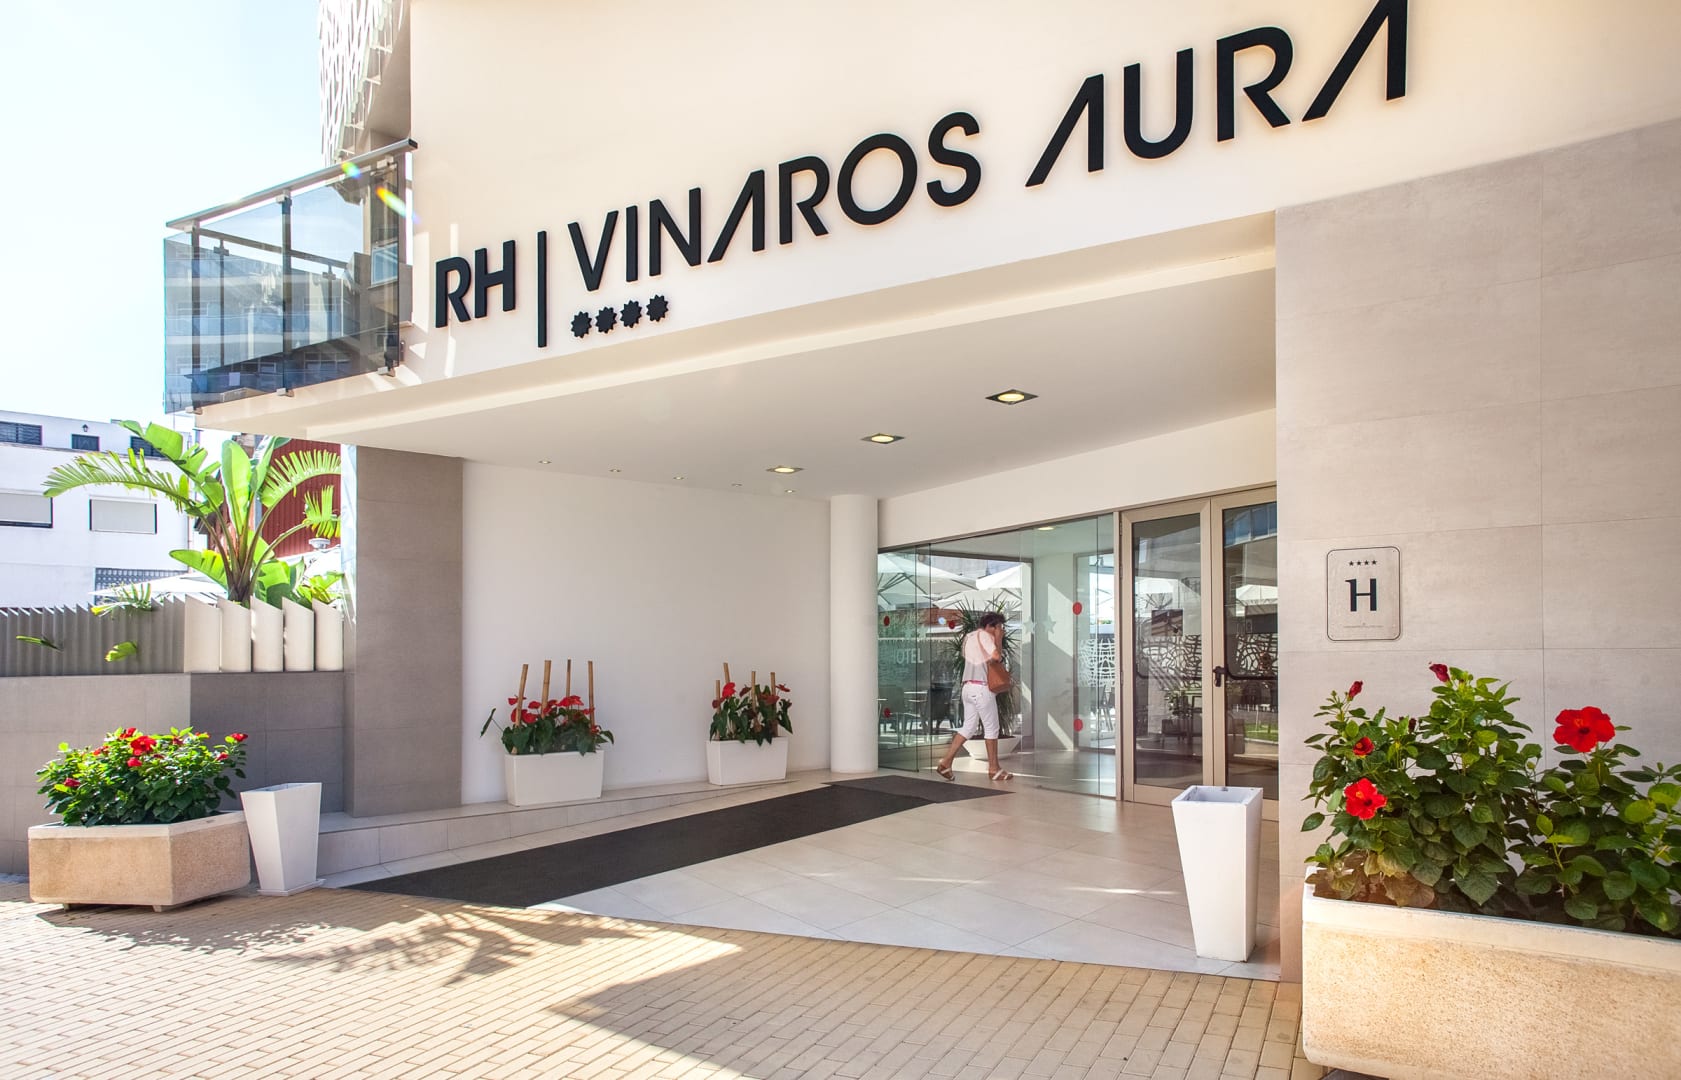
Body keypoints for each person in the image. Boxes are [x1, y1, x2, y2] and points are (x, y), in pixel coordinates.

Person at [935, 612, 1012, 782]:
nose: (1001, 630)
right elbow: (996, 657)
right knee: (992, 729)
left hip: (968, 687)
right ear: (990, 626)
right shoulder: (985, 637)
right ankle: (994, 769)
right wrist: (998, 639)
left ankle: (946, 762)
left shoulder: (969, 637)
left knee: (968, 727)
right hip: (981, 688)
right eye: (999, 627)